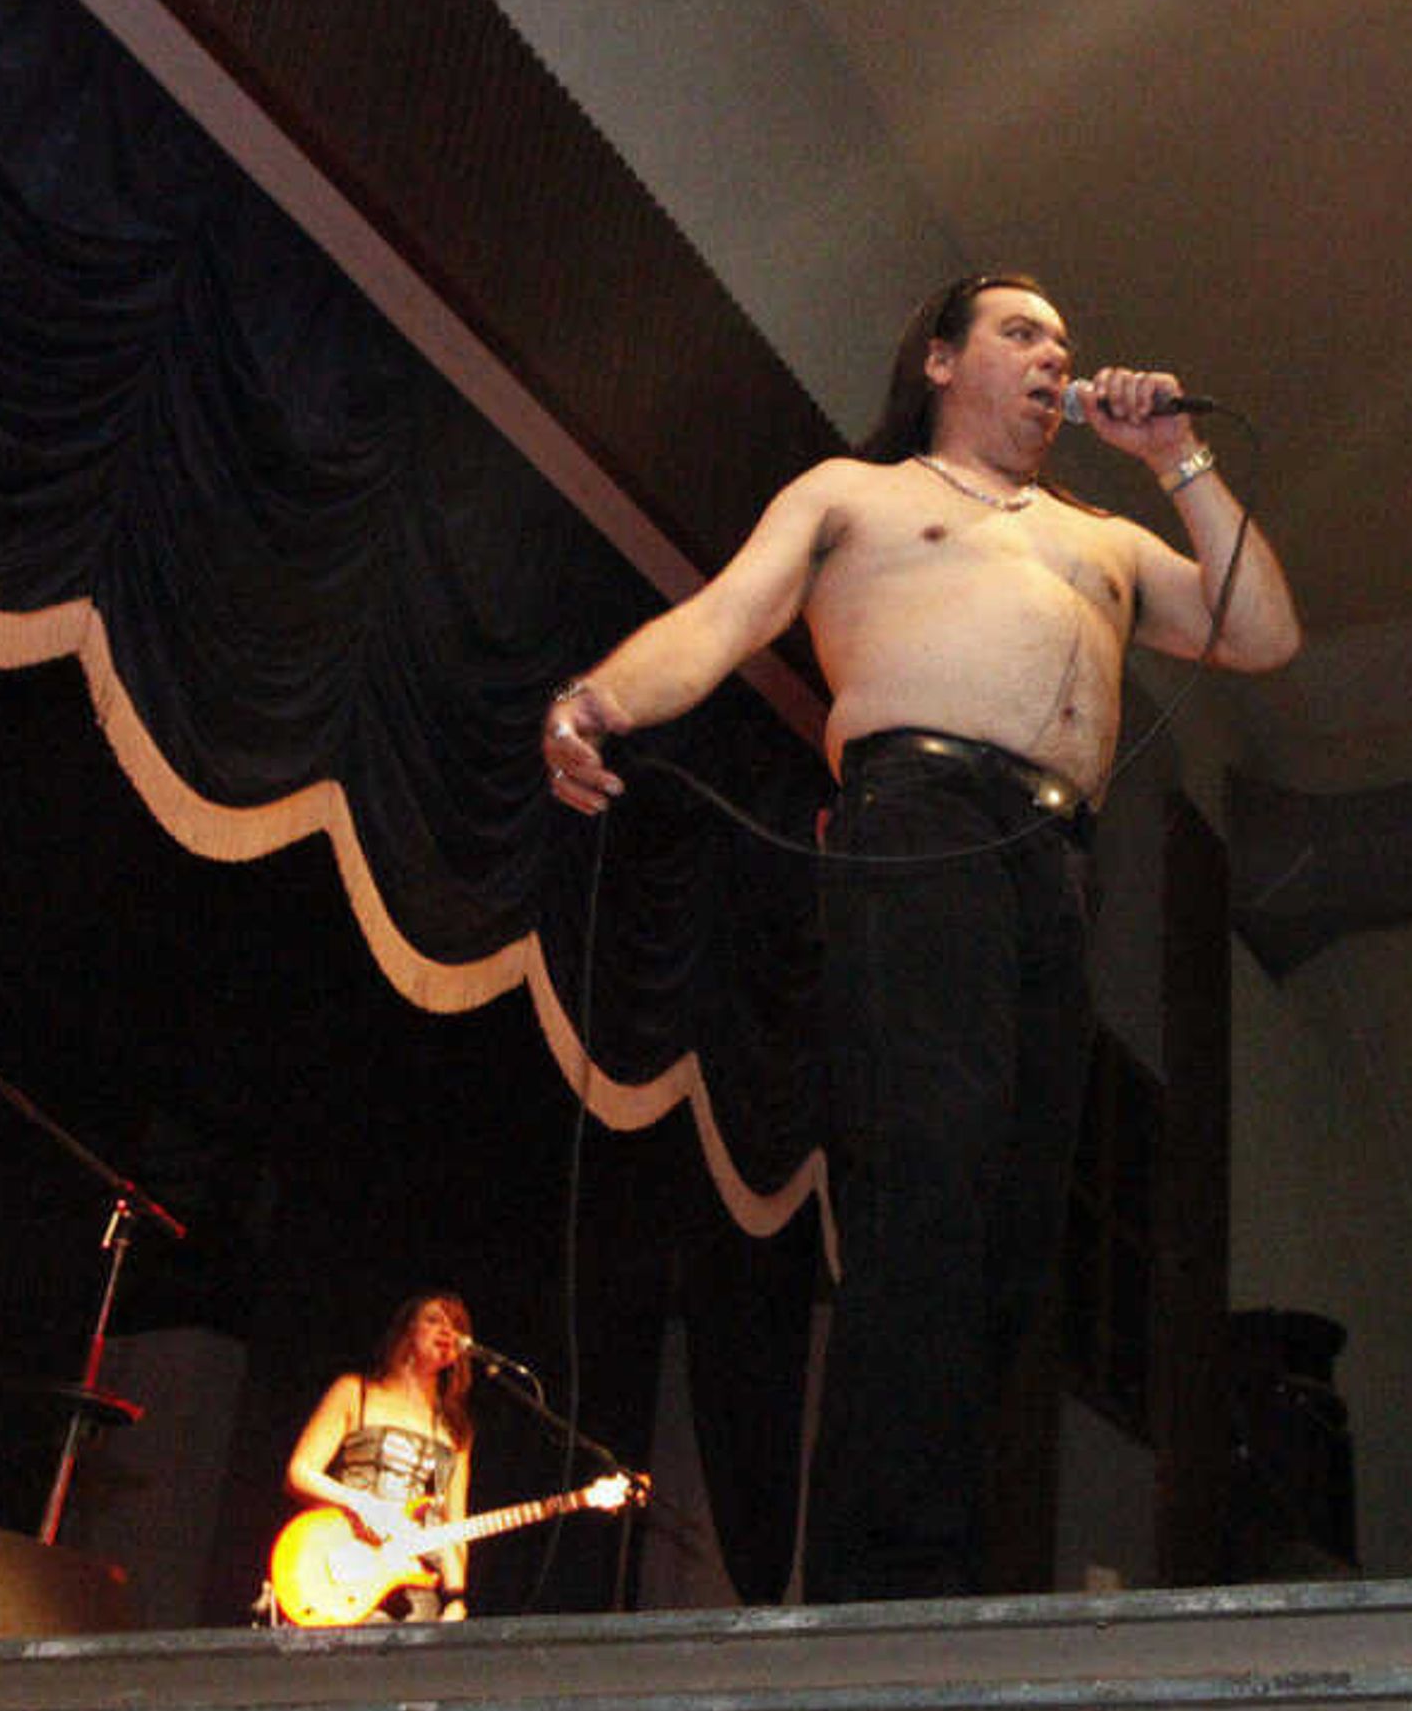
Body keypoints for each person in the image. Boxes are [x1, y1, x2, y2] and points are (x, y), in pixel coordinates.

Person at [542, 273, 1300, 1599]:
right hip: (917, 817)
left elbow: (1261, 631)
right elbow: (722, 620)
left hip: (1054, 860)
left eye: (1066, 338)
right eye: (1022, 331)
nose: (1054, 353)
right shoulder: (861, 496)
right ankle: (880, 1583)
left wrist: (1177, 456)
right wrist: (597, 698)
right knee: (925, 1177)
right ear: (943, 360)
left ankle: (920, 1560)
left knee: (1009, 1228)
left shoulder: (1100, 538)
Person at [278, 1291, 477, 1621]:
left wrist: (456, 1597)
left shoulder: (456, 1428)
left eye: (456, 1325)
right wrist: (361, 1503)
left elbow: (453, 1525)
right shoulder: (355, 1391)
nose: (447, 1330)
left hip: (414, 1583)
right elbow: (299, 1472)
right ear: (406, 1330)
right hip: (347, 1559)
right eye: (434, 1319)